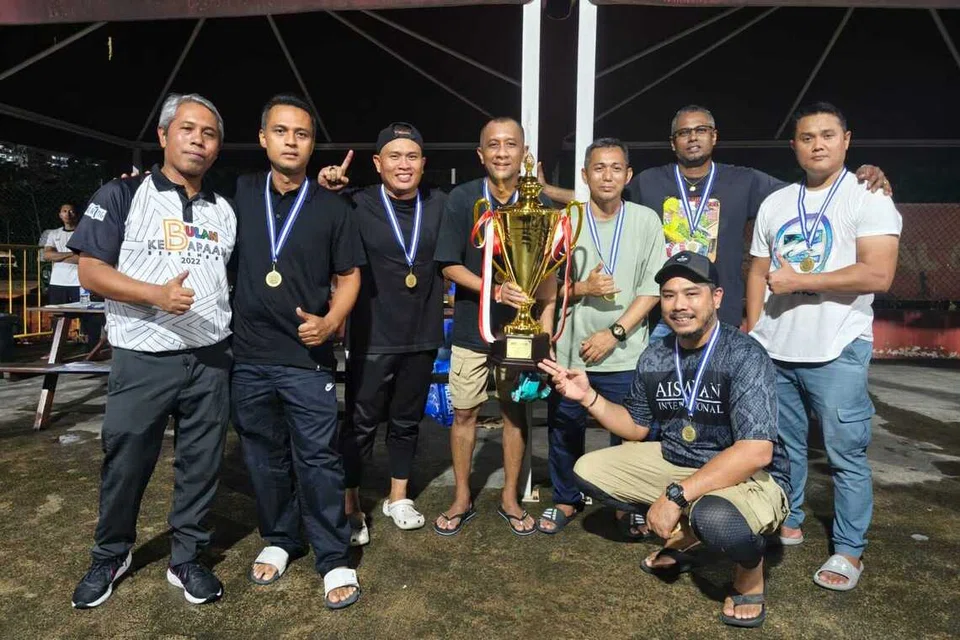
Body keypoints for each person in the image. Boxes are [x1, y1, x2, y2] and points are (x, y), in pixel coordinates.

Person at [540, 251, 791, 629]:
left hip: (747, 473)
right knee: (587, 469)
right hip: (680, 459)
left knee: (717, 518)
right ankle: (691, 533)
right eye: (669, 295)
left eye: (692, 294)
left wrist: (676, 496)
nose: (679, 305)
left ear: (717, 298)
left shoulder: (744, 354)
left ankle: (748, 570)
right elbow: (636, 427)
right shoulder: (656, 355)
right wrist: (588, 397)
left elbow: (756, 450)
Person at [68, 93, 236, 608]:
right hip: (143, 354)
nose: (198, 141)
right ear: (164, 136)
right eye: (187, 129)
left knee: (202, 463)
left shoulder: (224, 209)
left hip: (209, 357)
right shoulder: (123, 196)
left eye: (209, 134)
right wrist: (156, 296)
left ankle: (187, 557)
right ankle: (110, 553)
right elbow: (90, 271)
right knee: (126, 461)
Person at [538, 105, 890, 335]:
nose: (693, 137)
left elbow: (811, 194)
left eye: (701, 130)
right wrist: (548, 191)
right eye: (684, 132)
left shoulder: (745, 180)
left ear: (714, 137)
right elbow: (603, 195)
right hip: (664, 314)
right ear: (673, 142)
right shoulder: (649, 181)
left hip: (722, 314)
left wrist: (862, 176)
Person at [745, 102, 901, 593]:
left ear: (846, 140)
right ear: (795, 146)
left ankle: (849, 550)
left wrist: (800, 281)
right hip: (776, 346)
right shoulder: (776, 202)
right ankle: (787, 520)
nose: (817, 144)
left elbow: (879, 273)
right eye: (807, 136)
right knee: (783, 447)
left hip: (836, 347)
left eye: (827, 135)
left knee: (844, 453)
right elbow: (756, 269)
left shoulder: (868, 195)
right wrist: (753, 326)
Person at [229, 94, 363, 609]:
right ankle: (281, 539)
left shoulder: (333, 205)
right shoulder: (238, 192)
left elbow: (349, 275)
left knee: (319, 458)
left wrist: (332, 322)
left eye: (301, 134)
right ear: (263, 138)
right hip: (250, 355)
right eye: (281, 131)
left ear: (312, 144)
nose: (291, 141)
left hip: (308, 358)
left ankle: (332, 558)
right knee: (263, 457)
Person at [316, 123, 446, 542]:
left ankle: (398, 496)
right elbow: (318, 212)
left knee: (407, 421)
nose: (403, 164)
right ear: (378, 163)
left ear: (423, 164)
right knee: (360, 423)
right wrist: (327, 183)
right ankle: (352, 504)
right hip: (371, 334)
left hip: (422, 333)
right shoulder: (356, 202)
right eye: (394, 156)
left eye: (412, 156)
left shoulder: (440, 204)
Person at [536, 138, 665, 535]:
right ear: (584, 175)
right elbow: (542, 289)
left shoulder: (646, 220)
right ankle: (566, 499)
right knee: (564, 429)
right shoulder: (564, 221)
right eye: (598, 168)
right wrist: (582, 290)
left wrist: (615, 332)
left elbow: (652, 287)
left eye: (615, 168)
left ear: (627, 175)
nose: (607, 176)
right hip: (571, 352)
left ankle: (624, 503)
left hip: (626, 351)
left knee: (629, 432)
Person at [432, 116, 550, 536]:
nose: (502, 152)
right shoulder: (463, 199)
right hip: (472, 330)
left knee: (515, 414)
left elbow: (550, 275)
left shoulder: (540, 206)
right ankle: (462, 497)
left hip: (520, 334)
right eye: (493, 145)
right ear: (481, 155)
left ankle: (509, 497)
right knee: (464, 414)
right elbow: (448, 265)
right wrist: (494, 291)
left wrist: (543, 332)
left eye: (511, 144)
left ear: (524, 154)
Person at [43, 202, 103, 348]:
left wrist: (61, 255)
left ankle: (92, 350)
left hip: (79, 282)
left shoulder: (84, 233)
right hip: (58, 283)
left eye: (71, 211)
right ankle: (55, 351)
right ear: (60, 215)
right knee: (58, 318)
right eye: (64, 211)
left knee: (89, 318)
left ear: (76, 214)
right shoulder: (54, 234)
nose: (68, 214)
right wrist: (72, 253)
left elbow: (84, 259)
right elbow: (47, 255)